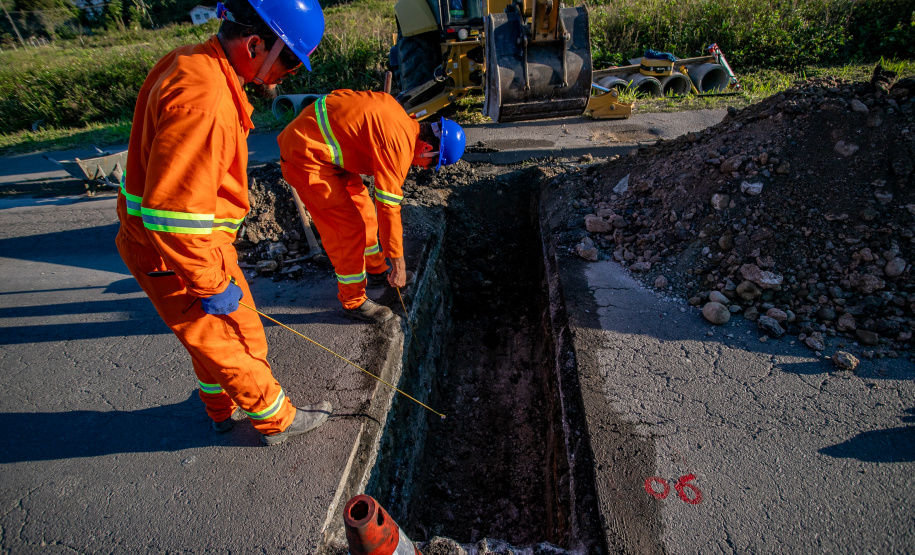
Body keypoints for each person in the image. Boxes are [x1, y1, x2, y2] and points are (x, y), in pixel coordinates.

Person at [115, 0, 331, 446]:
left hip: (189, 246)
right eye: (289, 62)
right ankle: (277, 421)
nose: (287, 75)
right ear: (256, 44)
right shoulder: (206, 99)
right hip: (178, 254)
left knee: (222, 337)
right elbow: (172, 216)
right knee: (232, 343)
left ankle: (220, 409)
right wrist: (210, 284)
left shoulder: (193, 63)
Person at [277, 90, 466, 323]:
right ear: (427, 148)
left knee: (365, 213)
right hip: (306, 155)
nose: (424, 168)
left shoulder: (402, 121)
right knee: (347, 228)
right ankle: (353, 300)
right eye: (430, 163)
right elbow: (389, 208)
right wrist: (399, 264)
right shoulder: (399, 146)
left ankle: (376, 270)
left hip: (329, 153)